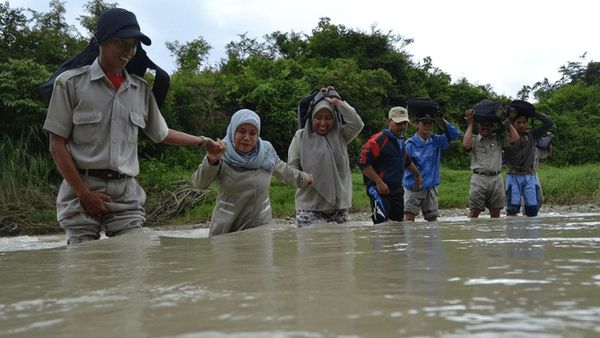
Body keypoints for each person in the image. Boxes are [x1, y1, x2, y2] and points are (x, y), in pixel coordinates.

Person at [42, 8, 224, 244]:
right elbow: (57, 145)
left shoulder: (140, 90)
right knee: (83, 266)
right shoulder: (70, 84)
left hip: (126, 193)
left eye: (133, 45)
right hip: (81, 189)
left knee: (133, 260)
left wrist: (202, 140)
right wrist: (83, 193)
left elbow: (162, 133)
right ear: (101, 40)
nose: (128, 52)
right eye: (121, 43)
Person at [191, 109, 313, 236]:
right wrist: (212, 160)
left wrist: (304, 179)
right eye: (242, 131)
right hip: (227, 228)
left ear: (257, 134)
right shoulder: (219, 150)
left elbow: (284, 171)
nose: (247, 137)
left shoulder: (266, 151)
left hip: (260, 226)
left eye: (252, 133)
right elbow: (199, 183)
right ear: (233, 131)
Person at [288, 86, 364, 228]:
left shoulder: (341, 135)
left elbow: (357, 124)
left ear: (334, 118)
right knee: (314, 247)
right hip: (309, 208)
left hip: (339, 208)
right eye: (318, 118)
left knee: (341, 248)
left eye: (328, 118)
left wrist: (338, 103)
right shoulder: (301, 136)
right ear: (311, 118)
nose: (323, 123)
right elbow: (291, 168)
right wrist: (303, 178)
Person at [358, 107, 422, 223]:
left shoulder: (401, 141)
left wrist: (417, 175)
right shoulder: (377, 140)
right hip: (379, 191)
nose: (402, 127)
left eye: (404, 123)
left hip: (397, 190)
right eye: (398, 123)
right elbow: (363, 163)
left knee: (397, 226)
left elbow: (406, 161)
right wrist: (378, 182)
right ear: (389, 122)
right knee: (381, 225)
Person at [463, 100, 519, 218]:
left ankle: (495, 236)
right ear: (478, 125)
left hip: (496, 179)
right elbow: (466, 146)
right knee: (474, 212)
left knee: (496, 214)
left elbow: (515, 138)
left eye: (488, 124)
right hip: (479, 179)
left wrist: (507, 123)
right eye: (482, 124)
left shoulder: (498, 139)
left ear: (492, 126)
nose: (485, 127)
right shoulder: (473, 139)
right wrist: (470, 124)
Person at [403, 107, 461, 222]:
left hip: (430, 188)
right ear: (417, 125)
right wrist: (416, 175)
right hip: (413, 187)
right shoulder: (410, 144)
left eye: (430, 123)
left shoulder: (436, 141)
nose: (427, 126)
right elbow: (404, 164)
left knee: (433, 221)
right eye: (424, 123)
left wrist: (441, 120)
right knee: (409, 219)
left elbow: (455, 134)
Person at [503, 100, 553, 217]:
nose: (521, 125)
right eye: (518, 122)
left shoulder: (532, 135)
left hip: (529, 176)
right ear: (513, 123)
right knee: (512, 209)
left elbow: (549, 122)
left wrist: (533, 113)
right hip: (513, 176)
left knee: (532, 210)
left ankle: (530, 233)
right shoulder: (506, 136)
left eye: (524, 122)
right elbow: (502, 125)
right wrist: (509, 117)